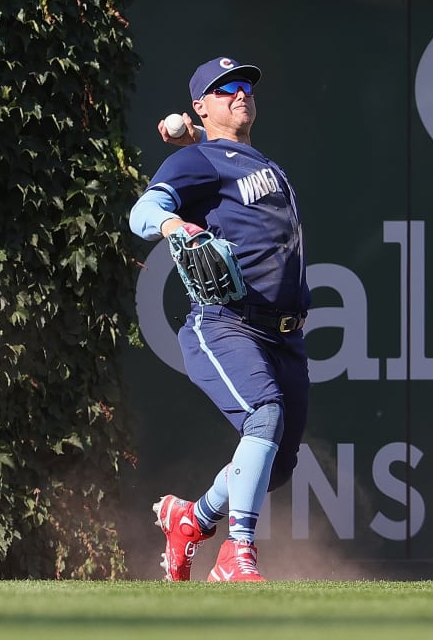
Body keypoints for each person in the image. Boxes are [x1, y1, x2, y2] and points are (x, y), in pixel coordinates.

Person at [129, 56, 310, 582]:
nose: (241, 93)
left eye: (246, 85)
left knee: (275, 467)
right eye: (225, 87)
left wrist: (192, 139)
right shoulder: (199, 161)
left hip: (285, 336)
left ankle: (193, 518)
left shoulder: (264, 165)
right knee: (264, 415)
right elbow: (142, 211)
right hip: (228, 321)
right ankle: (237, 552)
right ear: (200, 105)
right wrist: (169, 223)